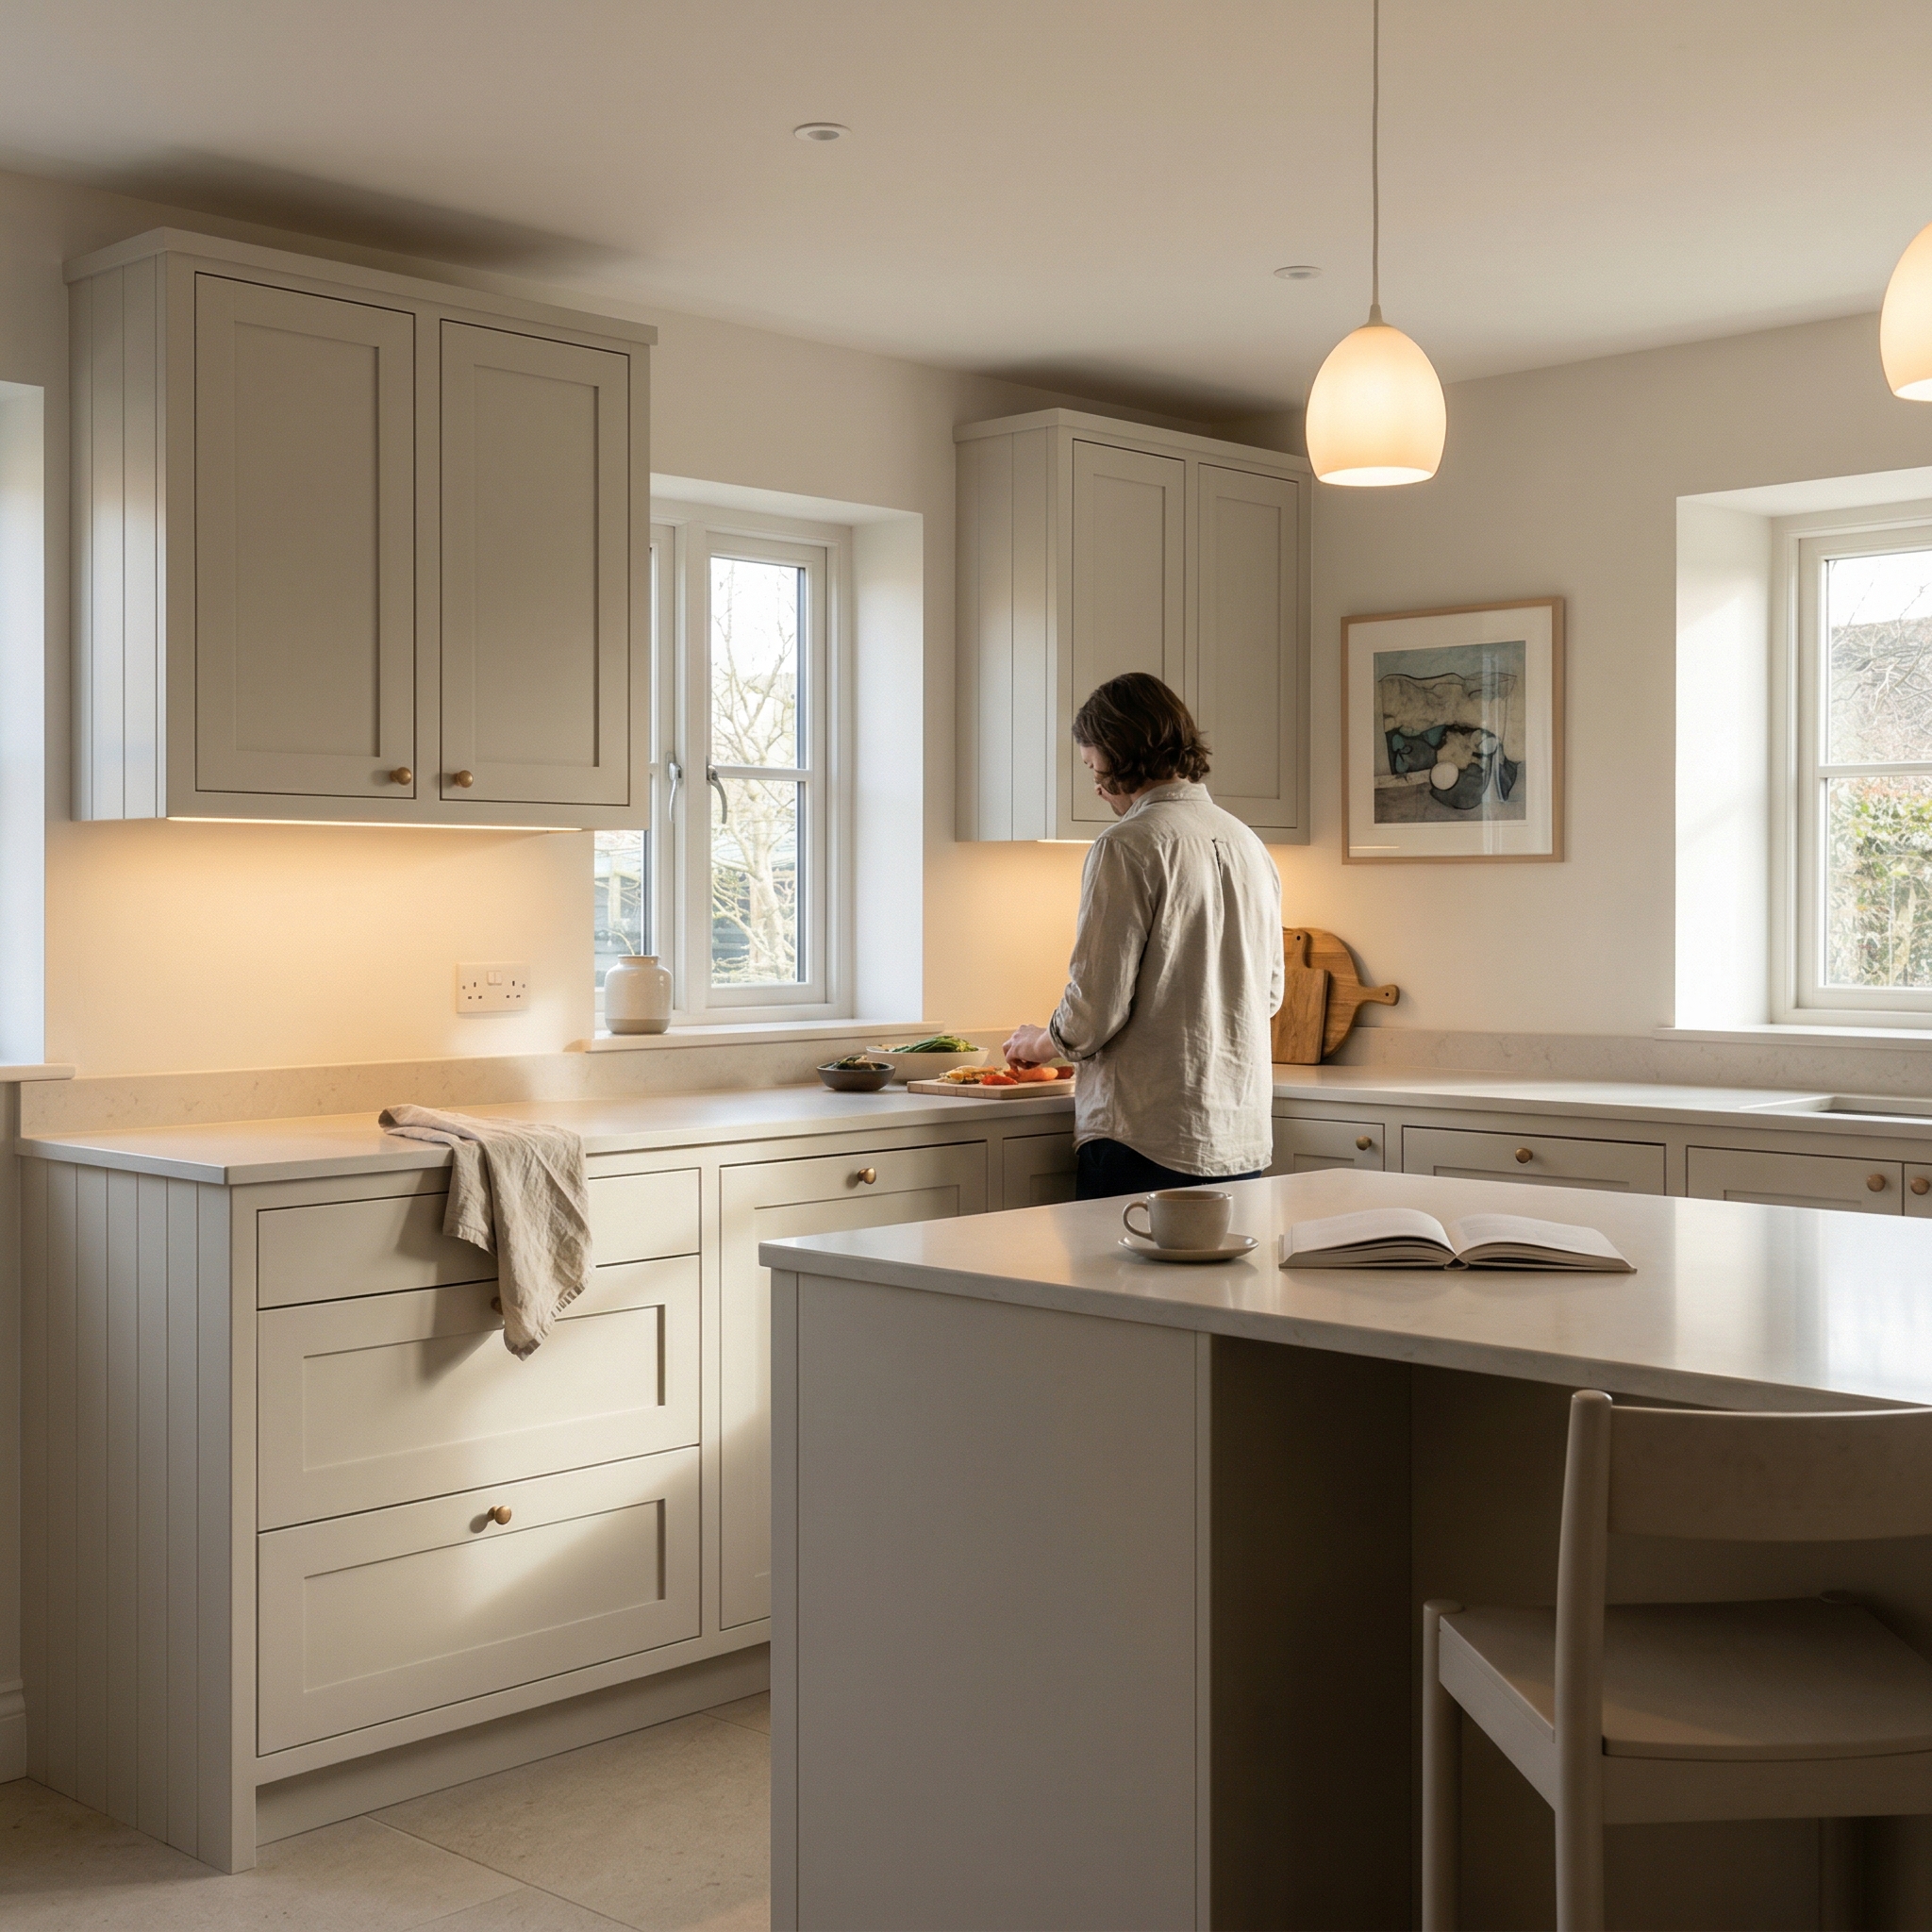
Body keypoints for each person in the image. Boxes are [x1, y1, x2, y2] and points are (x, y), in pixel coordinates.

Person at [1005, 673, 1284, 1202]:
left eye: (1094, 766)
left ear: (1119, 752)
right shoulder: (1251, 845)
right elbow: (1268, 996)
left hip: (1144, 1138)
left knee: (1121, 1284)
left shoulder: (1126, 845)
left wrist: (1039, 1043)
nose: (1096, 784)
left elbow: (1094, 1010)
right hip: (1239, 1139)